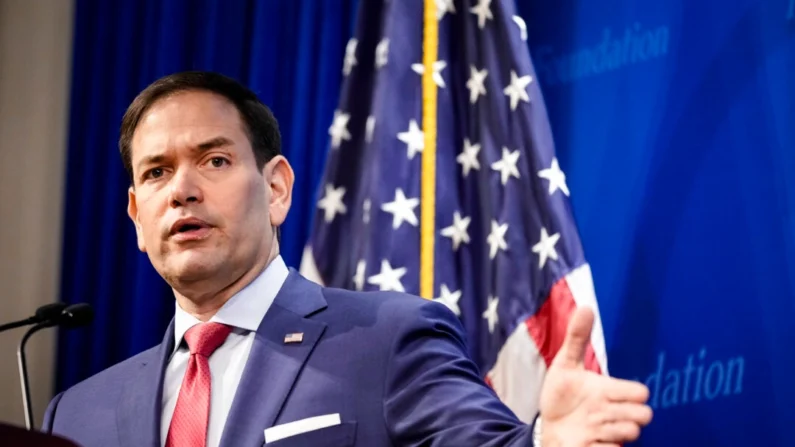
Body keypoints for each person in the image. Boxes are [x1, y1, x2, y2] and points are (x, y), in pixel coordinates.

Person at [43, 71, 652, 447]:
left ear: (277, 187)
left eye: (215, 160)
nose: (182, 189)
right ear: (136, 218)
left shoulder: (389, 340)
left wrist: (546, 442)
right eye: (156, 173)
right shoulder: (76, 413)